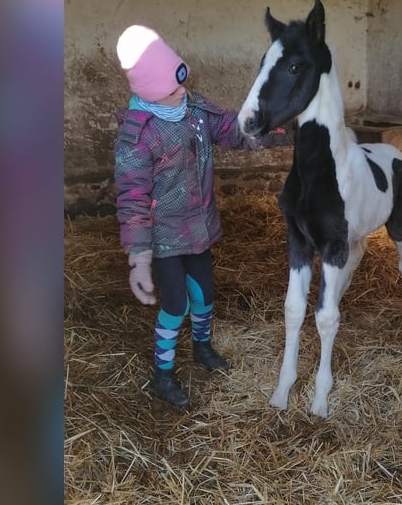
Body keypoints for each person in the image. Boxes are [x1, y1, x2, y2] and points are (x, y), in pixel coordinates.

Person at [114, 25, 289, 409]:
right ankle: (163, 372)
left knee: (205, 297)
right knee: (175, 305)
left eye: (183, 84)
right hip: (163, 240)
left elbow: (232, 130)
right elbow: (132, 199)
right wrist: (139, 259)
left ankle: (203, 347)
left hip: (199, 229)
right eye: (173, 90)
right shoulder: (139, 136)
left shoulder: (193, 110)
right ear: (148, 92)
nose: (183, 93)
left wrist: (276, 131)